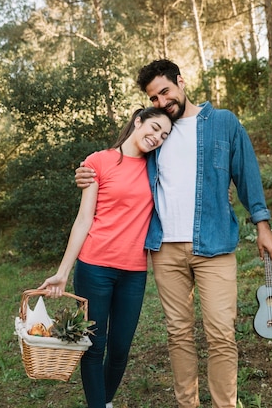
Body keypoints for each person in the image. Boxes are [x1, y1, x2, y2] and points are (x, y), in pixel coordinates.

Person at [76, 59, 272, 408]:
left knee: (221, 333)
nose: (161, 102)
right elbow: (120, 164)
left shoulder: (224, 123)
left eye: (165, 91)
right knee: (179, 335)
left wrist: (262, 225)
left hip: (214, 245)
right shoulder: (157, 133)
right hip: (165, 251)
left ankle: (225, 404)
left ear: (181, 82)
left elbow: (246, 174)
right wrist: (86, 173)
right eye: (153, 98)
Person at [38, 106, 173, 408]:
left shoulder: (157, 167)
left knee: (120, 349)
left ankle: (103, 401)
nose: (157, 137)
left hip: (134, 272)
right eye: (153, 128)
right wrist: (63, 271)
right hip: (94, 268)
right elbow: (84, 219)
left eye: (164, 135)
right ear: (138, 121)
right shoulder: (98, 161)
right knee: (94, 347)